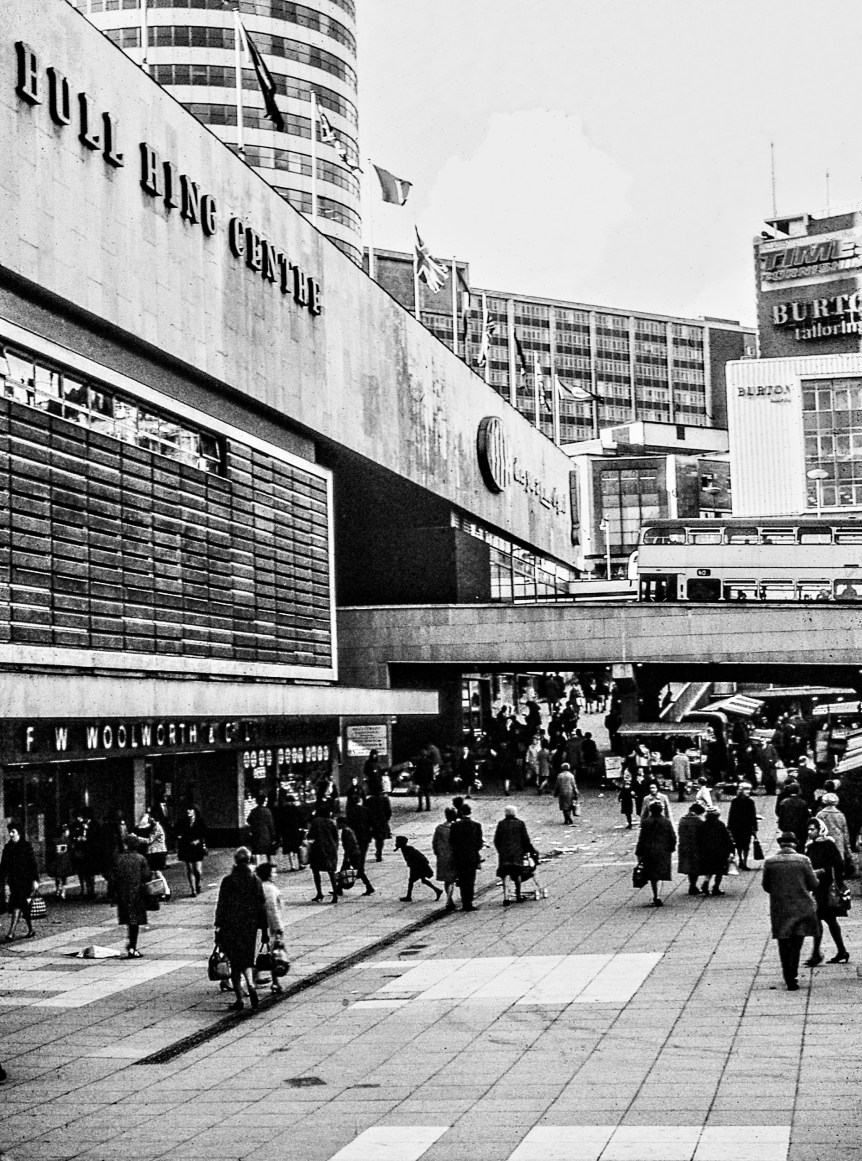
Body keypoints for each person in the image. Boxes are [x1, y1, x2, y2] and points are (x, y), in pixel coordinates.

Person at [762, 831, 820, 991]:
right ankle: (793, 976)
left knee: (783, 943)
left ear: (780, 845)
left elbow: (766, 886)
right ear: (794, 844)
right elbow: (813, 884)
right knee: (797, 942)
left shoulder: (770, 862)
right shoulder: (803, 860)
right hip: (801, 907)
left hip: (780, 908)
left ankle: (787, 976)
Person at [214, 847, 268, 1011]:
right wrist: (264, 930)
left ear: (236, 861)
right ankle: (250, 984)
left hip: (230, 926)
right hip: (249, 926)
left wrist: (218, 926)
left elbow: (222, 905)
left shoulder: (228, 880)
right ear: (249, 860)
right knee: (247, 959)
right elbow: (261, 905)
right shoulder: (255, 880)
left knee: (234, 962)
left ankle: (239, 999)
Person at [804, 818, 849, 965]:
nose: (810, 832)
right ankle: (840, 951)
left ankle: (817, 954)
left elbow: (839, 865)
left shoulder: (828, 845)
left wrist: (822, 871)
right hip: (817, 888)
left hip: (826, 888)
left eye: (813, 829)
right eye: (808, 829)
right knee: (829, 920)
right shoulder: (811, 846)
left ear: (820, 830)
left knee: (821, 919)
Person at [113, 834, 152, 958]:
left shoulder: (119, 858)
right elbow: (147, 876)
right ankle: (132, 947)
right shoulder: (141, 858)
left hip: (122, 893)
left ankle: (130, 944)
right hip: (137, 893)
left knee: (128, 919)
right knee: (135, 921)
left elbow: (113, 876)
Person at [0, 822, 40, 941]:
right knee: (23, 905)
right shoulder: (8, 848)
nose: (11, 834)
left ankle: (11, 932)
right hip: (13, 881)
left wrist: (35, 880)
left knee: (17, 904)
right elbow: (3, 866)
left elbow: (33, 864)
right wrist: (2, 880)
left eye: (13, 832)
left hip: (25, 881)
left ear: (19, 832)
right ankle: (31, 929)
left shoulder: (26, 846)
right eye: (10, 832)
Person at [493, 805, 539, 905]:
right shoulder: (520, 824)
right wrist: (528, 851)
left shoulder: (501, 824)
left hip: (504, 854)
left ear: (505, 813)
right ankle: (518, 895)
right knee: (517, 872)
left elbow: (496, 839)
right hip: (517, 853)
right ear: (515, 813)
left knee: (505, 873)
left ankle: (506, 897)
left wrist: (500, 850)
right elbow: (525, 840)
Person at [635, 801, 677, 906]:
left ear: (650, 810)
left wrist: (639, 852)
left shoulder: (646, 822)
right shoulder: (666, 822)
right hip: (663, 851)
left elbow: (642, 838)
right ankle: (657, 895)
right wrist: (671, 848)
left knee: (653, 874)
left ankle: (656, 895)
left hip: (649, 851)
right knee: (660, 873)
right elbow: (672, 836)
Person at [254, 862, 286, 993]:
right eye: (273, 872)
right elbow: (272, 910)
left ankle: (256, 977)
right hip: (269, 927)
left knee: (264, 953)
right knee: (274, 955)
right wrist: (278, 927)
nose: (275, 874)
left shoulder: (258, 886)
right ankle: (275, 982)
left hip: (260, 925)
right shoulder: (269, 889)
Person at [449, 802, 484, 912]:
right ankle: (469, 902)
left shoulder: (455, 826)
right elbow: (479, 843)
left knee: (462, 879)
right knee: (470, 879)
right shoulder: (476, 825)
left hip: (459, 856)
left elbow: (451, 842)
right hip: (472, 856)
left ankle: (464, 901)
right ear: (470, 812)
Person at [697, 806, 735, 896]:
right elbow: (727, 839)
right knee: (719, 871)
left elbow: (699, 839)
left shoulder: (703, 825)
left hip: (707, 851)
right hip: (720, 851)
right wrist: (731, 850)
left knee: (709, 869)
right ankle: (716, 887)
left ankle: (706, 882)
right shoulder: (720, 825)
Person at [394, 835, 443, 903]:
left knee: (411, 881)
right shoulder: (404, 848)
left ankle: (409, 896)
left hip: (418, 867)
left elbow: (417, 858)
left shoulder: (408, 849)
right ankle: (437, 890)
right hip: (417, 866)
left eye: (397, 842)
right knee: (423, 880)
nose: (395, 844)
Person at [306, 808, 340, 903]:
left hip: (318, 848)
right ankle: (335, 894)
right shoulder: (331, 822)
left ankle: (319, 893)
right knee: (331, 872)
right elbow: (336, 837)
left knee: (316, 871)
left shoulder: (315, 822)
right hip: (330, 849)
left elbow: (310, 835)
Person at [337, 816, 375, 896]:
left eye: (338, 823)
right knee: (346, 870)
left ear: (342, 823)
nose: (337, 825)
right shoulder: (348, 830)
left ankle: (369, 886)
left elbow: (349, 844)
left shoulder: (345, 831)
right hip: (354, 853)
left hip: (352, 853)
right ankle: (338, 888)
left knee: (356, 871)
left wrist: (347, 856)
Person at [175, 804, 207, 897]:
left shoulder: (200, 821)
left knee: (197, 870)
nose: (188, 811)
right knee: (190, 868)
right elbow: (176, 830)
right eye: (187, 810)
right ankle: (193, 890)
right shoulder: (183, 821)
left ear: (195, 811)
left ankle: (198, 884)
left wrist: (199, 840)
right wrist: (179, 836)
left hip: (197, 848)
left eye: (190, 809)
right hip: (186, 847)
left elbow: (204, 833)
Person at [727, 782, 759, 870]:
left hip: (746, 827)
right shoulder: (736, 801)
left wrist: (754, 827)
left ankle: (744, 862)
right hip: (737, 827)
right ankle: (741, 860)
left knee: (746, 846)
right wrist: (729, 827)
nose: (748, 791)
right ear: (741, 791)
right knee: (738, 845)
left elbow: (753, 815)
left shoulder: (749, 802)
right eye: (746, 789)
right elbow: (731, 814)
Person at [816, 793, 853, 868]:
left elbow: (816, 828)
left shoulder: (820, 814)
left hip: (825, 839)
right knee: (839, 863)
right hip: (839, 840)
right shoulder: (841, 815)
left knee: (826, 862)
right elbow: (845, 831)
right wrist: (847, 846)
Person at [432, 807, 458, 911]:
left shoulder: (439, 828)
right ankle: (449, 900)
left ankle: (449, 898)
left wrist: (437, 853)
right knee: (452, 879)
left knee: (447, 880)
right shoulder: (456, 828)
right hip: (453, 856)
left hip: (442, 856)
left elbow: (435, 842)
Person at [677, 801, 705, 894]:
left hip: (684, 846)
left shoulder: (682, 820)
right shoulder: (698, 821)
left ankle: (692, 885)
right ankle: (693, 886)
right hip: (696, 847)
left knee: (689, 867)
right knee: (695, 867)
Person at [776, 783, 810, 853]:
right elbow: (806, 816)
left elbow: (780, 814)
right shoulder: (802, 803)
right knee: (800, 847)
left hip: (787, 828)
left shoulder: (784, 802)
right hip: (800, 829)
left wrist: (782, 826)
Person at [276, 793, 305, 872]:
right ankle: (300, 864)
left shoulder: (282, 810)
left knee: (289, 850)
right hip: (295, 831)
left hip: (286, 832)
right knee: (297, 848)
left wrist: (280, 833)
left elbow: (279, 822)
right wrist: (303, 828)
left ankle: (292, 865)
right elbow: (302, 819)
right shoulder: (296, 809)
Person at [246, 795, 277, 865]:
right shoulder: (267, 811)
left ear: (256, 801)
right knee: (268, 849)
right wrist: (273, 835)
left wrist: (255, 824)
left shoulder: (254, 811)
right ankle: (269, 862)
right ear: (264, 802)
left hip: (256, 832)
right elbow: (271, 824)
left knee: (256, 849)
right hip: (266, 832)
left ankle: (257, 864)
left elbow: (248, 820)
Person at [48, 822, 74, 900]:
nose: (68, 833)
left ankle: (58, 890)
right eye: (67, 831)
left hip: (57, 860)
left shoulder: (55, 840)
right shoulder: (68, 840)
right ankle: (63, 891)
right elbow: (71, 850)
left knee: (57, 876)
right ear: (63, 832)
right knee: (64, 877)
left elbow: (52, 851)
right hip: (64, 860)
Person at [366, 788, 392, 862]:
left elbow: (366, 811)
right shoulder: (385, 799)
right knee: (380, 839)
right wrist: (385, 820)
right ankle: (379, 852)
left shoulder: (369, 800)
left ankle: (377, 852)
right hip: (382, 821)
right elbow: (388, 811)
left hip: (372, 821)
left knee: (373, 837)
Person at [413, 747, 435, 813]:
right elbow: (431, 772)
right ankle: (428, 807)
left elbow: (417, 771)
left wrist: (415, 780)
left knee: (420, 794)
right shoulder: (430, 762)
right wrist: (431, 779)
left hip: (420, 779)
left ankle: (420, 807)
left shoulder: (419, 762)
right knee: (427, 793)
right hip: (427, 779)